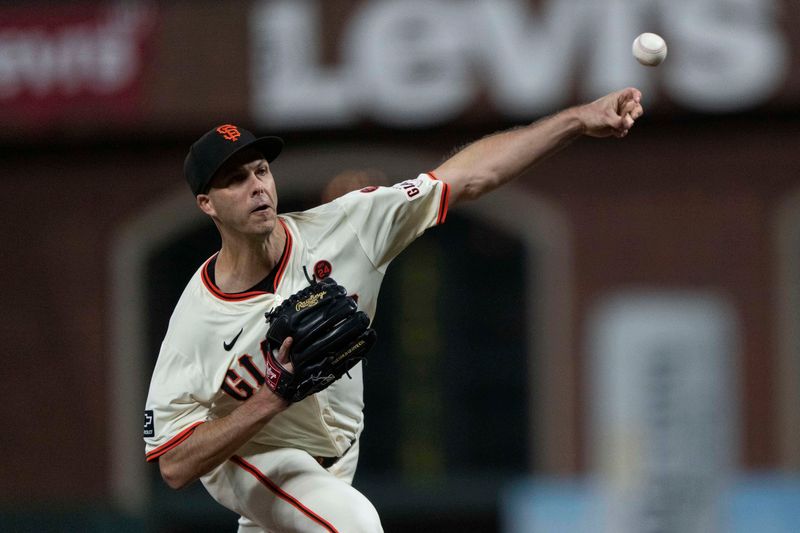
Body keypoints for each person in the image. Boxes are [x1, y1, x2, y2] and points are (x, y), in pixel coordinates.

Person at [143, 88, 644, 532]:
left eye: (261, 170)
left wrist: (577, 119)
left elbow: (470, 175)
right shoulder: (196, 321)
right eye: (235, 179)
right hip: (250, 459)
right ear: (207, 204)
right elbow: (174, 464)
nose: (257, 186)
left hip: (330, 465)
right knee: (355, 523)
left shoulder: (349, 227)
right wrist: (269, 397)